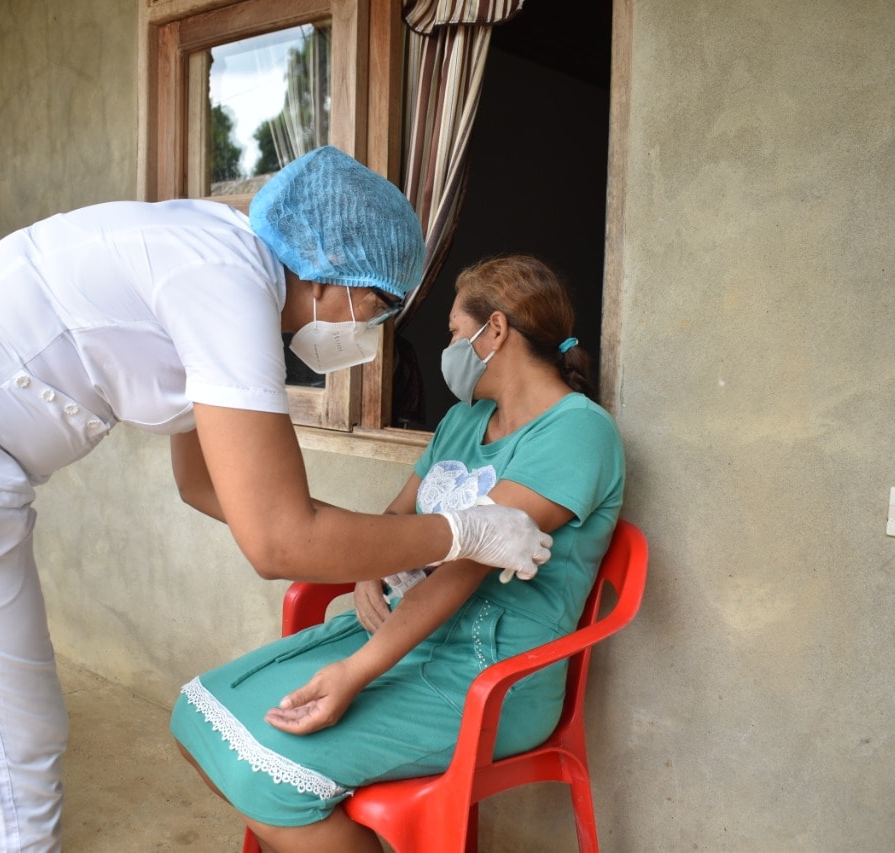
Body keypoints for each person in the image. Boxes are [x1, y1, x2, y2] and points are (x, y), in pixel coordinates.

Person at [0, 147, 553, 852]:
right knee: (9, 756)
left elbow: (205, 486)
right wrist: (460, 532)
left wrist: (352, 538)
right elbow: (279, 540)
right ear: (335, 278)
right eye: (378, 309)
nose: (374, 331)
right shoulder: (229, 288)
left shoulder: (211, 251)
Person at [171, 254, 626, 852]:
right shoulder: (465, 422)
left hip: (488, 673)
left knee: (270, 777)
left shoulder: (577, 433)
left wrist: (356, 673)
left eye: (455, 332)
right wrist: (371, 570)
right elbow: (396, 519)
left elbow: (462, 570)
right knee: (194, 717)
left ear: (496, 331)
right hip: (396, 632)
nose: (450, 348)